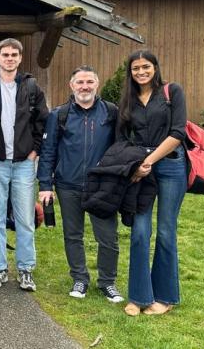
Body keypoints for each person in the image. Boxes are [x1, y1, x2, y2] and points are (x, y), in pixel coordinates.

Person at [37, 66, 123, 303]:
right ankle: (80, 278)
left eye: (89, 82)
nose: (85, 87)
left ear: (97, 84)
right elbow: (48, 152)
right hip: (68, 185)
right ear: (71, 86)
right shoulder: (59, 114)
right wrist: (45, 184)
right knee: (73, 235)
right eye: (80, 82)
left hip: (102, 187)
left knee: (108, 237)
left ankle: (107, 282)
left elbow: (121, 149)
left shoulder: (111, 112)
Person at [117, 50, 188, 317]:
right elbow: (122, 138)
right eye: (135, 68)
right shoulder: (128, 100)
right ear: (130, 72)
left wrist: (150, 160)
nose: (141, 72)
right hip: (141, 170)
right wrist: (138, 164)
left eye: (146, 67)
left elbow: (178, 132)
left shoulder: (172, 92)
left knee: (166, 231)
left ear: (155, 68)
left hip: (170, 164)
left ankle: (165, 297)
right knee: (139, 232)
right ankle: (138, 296)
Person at [0, 38, 49, 293]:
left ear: (20, 58)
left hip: (23, 163)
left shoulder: (31, 86)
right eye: (4, 54)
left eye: (13, 55)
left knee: (25, 219)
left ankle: (26, 269)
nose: (9, 58)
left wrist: (34, 152)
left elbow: (43, 122)